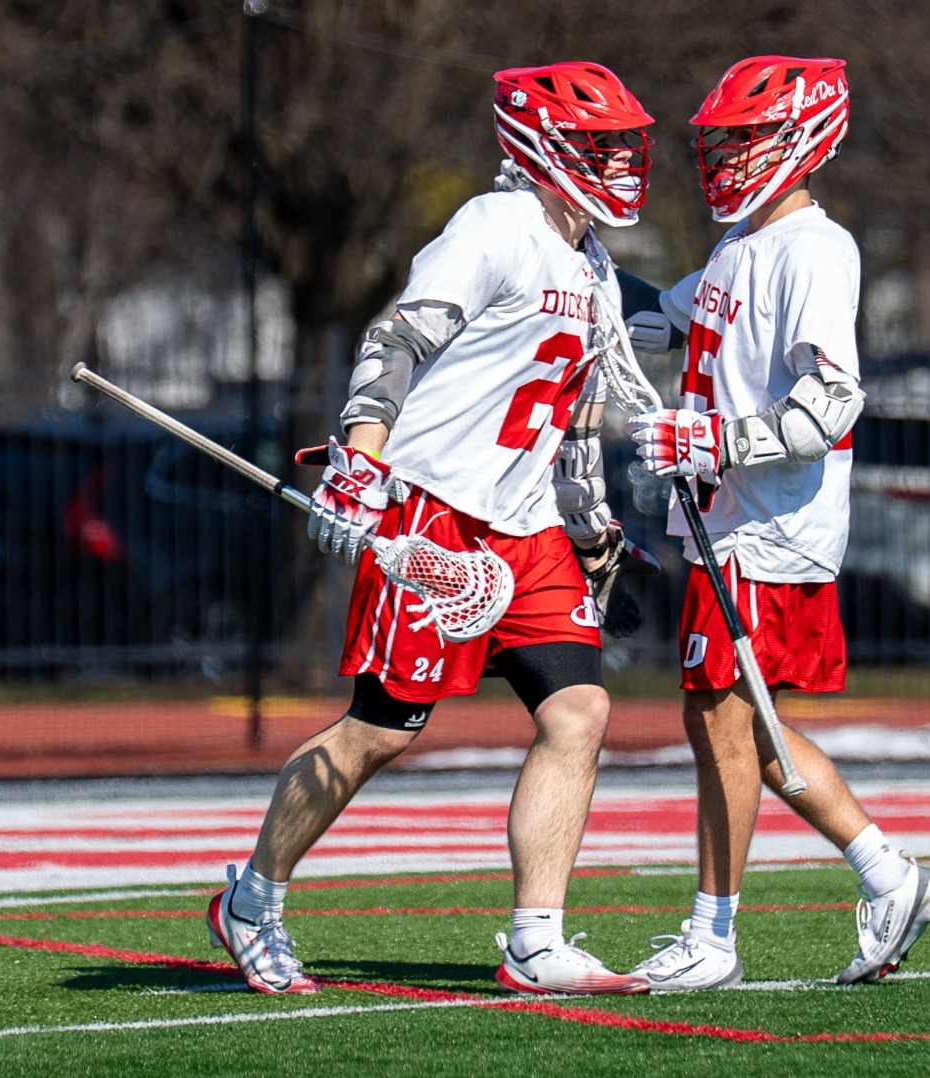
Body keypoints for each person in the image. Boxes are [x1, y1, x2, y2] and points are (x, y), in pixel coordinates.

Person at [207, 61, 660, 997]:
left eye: (623, 146)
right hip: (435, 508)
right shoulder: (494, 225)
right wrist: (360, 458)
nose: (617, 162)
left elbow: (581, 408)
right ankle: (252, 899)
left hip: (525, 523)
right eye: (598, 144)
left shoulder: (593, 265)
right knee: (382, 730)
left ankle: (536, 940)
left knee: (578, 712)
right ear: (541, 145)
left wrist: (591, 528)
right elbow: (396, 338)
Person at [621, 56, 930, 992]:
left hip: (768, 528)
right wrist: (563, 256)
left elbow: (832, 403)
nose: (725, 158)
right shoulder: (741, 245)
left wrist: (715, 441)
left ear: (801, 140)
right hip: (729, 522)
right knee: (740, 727)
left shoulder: (813, 247)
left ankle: (713, 934)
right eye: (721, 142)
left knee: (719, 718)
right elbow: (656, 321)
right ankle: (889, 878)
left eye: (745, 140)